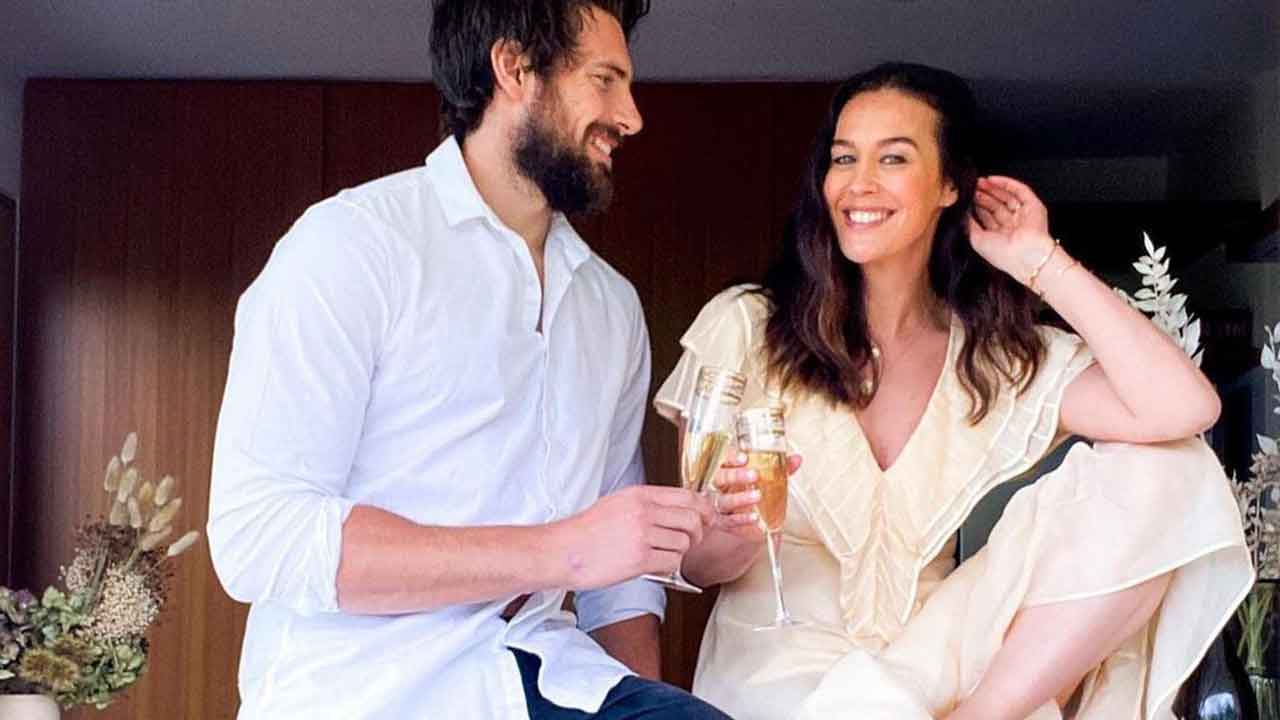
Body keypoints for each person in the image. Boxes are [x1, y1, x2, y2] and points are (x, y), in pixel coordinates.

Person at [658, 62, 1251, 720]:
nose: (858, 183)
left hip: (931, 664)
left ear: (949, 185)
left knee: (1171, 466)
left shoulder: (994, 356)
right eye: (844, 158)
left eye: (893, 158)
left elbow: (1185, 409)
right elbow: (698, 565)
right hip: (778, 675)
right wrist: (736, 530)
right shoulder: (746, 327)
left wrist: (1039, 260)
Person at [206, 2, 731, 718]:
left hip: (552, 675)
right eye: (604, 81)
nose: (630, 116)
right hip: (362, 692)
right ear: (514, 68)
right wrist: (560, 551)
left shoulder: (610, 307)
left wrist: (652, 702)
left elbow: (617, 583)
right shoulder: (347, 248)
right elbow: (260, 535)